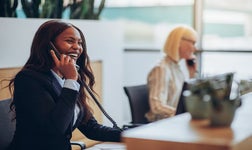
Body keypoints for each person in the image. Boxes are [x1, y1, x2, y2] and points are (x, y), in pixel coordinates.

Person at [8, 20, 122, 150]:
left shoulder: (69, 79)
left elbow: (92, 128)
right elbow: (55, 130)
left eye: (79, 43)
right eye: (70, 41)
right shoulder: (28, 80)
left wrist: (132, 134)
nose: (77, 47)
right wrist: (71, 81)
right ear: (49, 46)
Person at [145, 25, 198, 122]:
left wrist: (192, 74)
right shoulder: (161, 69)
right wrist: (183, 115)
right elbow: (157, 106)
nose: (195, 49)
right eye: (193, 43)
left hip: (174, 121)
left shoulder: (176, 67)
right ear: (179, 41)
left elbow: (182, 100)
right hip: (163, 126)